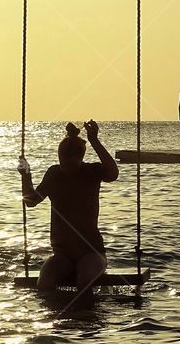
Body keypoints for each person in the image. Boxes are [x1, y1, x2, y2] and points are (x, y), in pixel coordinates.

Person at [19, 121, 118, 294]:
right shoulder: (54, 174)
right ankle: (57, 317)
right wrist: (26, 175)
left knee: (85, 280)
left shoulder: (91, 172)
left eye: (70, 163)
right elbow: (31, 201)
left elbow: (113, 173)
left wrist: (94, 140)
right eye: (63, 162)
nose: (66, 167)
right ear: (59, 158)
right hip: (63, 254)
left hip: (92, 253)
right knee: (45, 282)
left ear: (80, 158)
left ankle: (85, 318)